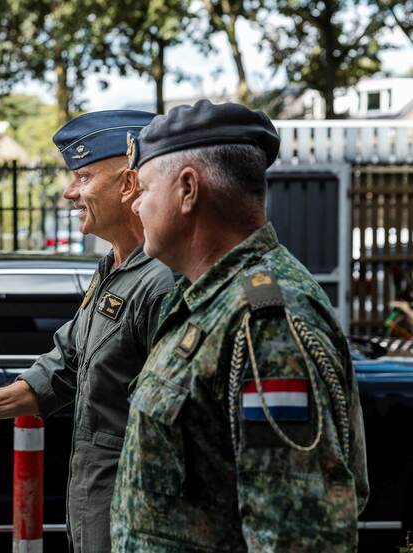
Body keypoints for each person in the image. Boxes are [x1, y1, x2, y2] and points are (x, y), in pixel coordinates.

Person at [111, 100, 369, 552]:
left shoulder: (268, 323)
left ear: (188, 189)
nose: (134, 205)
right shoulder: (210, 300)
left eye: (145, 188)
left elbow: (296, 535)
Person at [0, 110, 175, 553]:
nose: (69, 192)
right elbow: (62, 369)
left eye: (83, 177)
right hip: (97, 507)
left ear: (129, 184)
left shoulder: (163, 282)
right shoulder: (113, 270)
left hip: (136, 518)